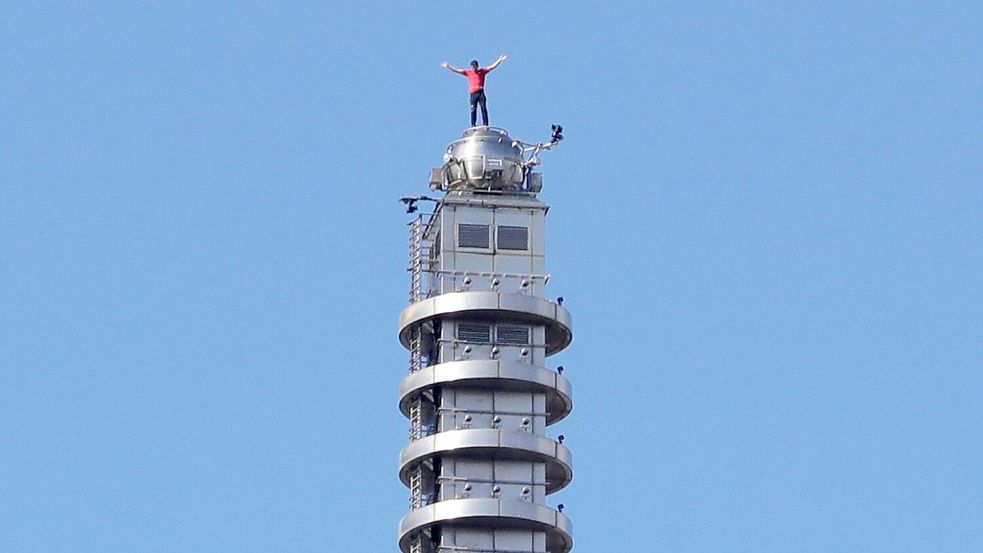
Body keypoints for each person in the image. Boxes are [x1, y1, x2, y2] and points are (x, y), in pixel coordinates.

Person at [441, 55, 508, 126]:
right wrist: (448, 66)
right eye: (472, 66)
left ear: (477, 66)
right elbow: (457, 70)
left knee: (483, 108)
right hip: (473, 94)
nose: (473, 68)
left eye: (475, 66)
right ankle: (473, 125)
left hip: (480, 93)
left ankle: (485, 124)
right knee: (473, 109)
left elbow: (491, 67)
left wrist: (499, 61)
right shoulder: (468, 72)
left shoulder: (482, 72)